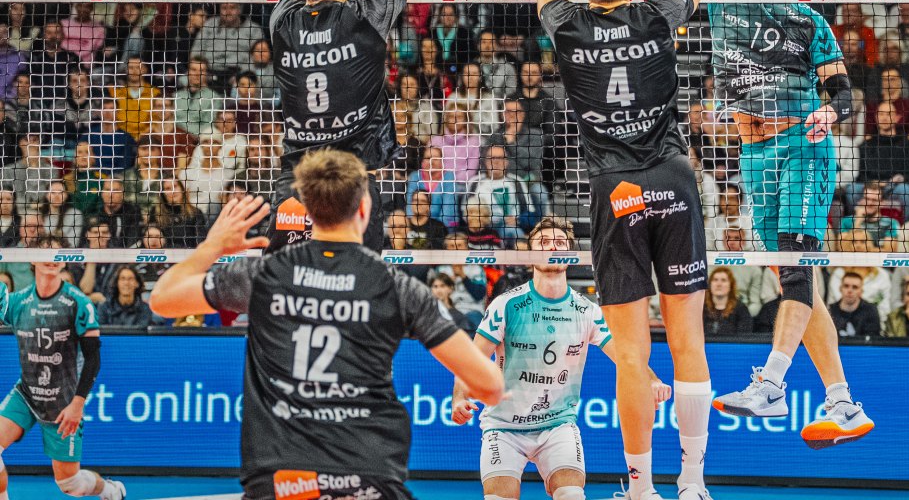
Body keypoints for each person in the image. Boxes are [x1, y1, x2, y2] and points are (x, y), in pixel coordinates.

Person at [620, 0, 871, 448]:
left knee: (793, 269)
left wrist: (829, 118)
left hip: (800, 147)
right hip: (751, 153)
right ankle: (842, 403)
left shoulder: (810, 20)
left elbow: (843, 94)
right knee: (798, 276)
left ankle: (774, 383)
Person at [150, 149, 504, 500]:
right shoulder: (397, 287)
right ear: (364, 209)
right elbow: (489, 386)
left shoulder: (265, 274)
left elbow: (163, 300)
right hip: (369, 476)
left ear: (307, 207)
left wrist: (212, 246)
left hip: (282, 480)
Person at [535, 0, 715, 500]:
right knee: (688, 341)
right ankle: (692, 483)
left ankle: (640, 489)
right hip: (674, 178)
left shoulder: (568, 25)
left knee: (633, 355)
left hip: (617, 190)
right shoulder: (655, 16)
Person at [265, 0, 508, 252]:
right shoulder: (366, 15)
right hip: (352, 186)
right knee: (355, 299)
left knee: (289, 296)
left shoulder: (282, 20)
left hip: (296, 185)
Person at [451, 218, 667, 500]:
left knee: (572, 495)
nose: (552, 247)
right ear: (531, 253)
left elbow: (627, 358)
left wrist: (651, 381)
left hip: (557, 426)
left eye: (560, 243)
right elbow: (470, 360)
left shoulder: (586, 310)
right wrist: (458, 398)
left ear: (570, 253)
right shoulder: (507, 305)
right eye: (543, 242)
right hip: (504, 428)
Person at [0, 237, 125, 500]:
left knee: (71, 485)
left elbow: (93, 359)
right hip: (26, 394)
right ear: (30, 259)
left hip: (62, 403)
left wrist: (77, 405)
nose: (52, 258)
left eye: (58, 253)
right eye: (45, 252)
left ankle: (110, 490)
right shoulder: (17, 303)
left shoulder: (78, 303)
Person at [827, 271, 881, 338]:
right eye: (846, 286)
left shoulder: (871, 311)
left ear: (861, 291)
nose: (850, 290)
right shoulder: (830, 311)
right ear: (840, 289)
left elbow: (874, 339)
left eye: (855, 287)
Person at [704, 267, 754, 337]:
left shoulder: (741, 310)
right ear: (710, 284)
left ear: (731, 285)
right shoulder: (701, 308)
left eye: (723, 280)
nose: (719, 284)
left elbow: (744, 338)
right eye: (715, 280)